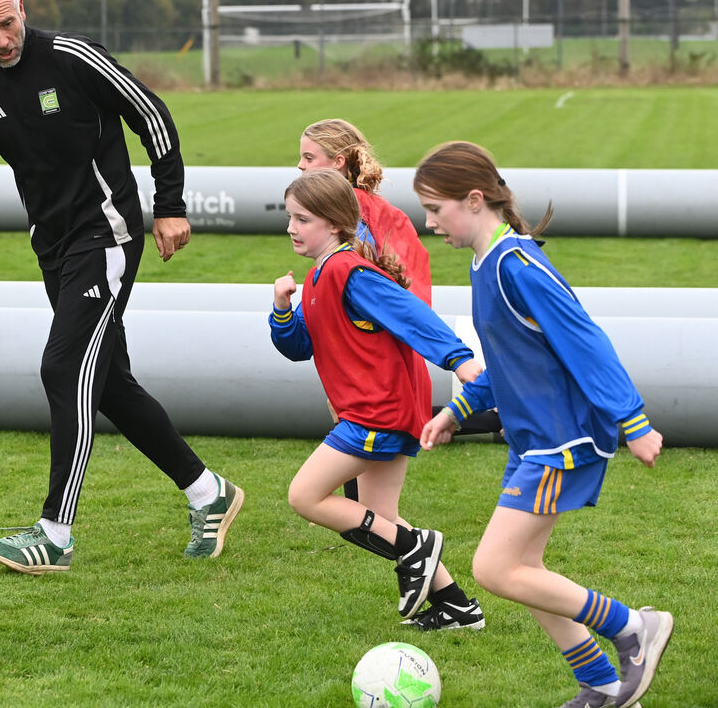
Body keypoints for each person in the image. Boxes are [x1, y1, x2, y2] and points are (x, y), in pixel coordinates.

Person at [0, 0, 243, 574]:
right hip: (51, 244)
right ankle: (210, 493)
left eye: (7, 23)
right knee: (110, 382)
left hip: (108, 235)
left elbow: (153, 117)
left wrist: (170, 206)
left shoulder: (73, 58)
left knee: (64, 365)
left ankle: (54, 533)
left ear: (23, 8)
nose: (0, 39)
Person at [413, 141, 672, 708]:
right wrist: (455, 411)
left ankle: (633, 628)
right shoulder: (487, 264)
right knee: (523, 570)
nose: (429, 223)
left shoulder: (517, 265)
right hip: (534, 442)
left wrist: (633, 421)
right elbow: (506, 360)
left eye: (436, 209)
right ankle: (599, 683)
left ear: (475, 199)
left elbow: (585, 342)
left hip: (563, 441)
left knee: (494, 567)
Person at [269, 168, 485, 630]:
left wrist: (459, 360)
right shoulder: (318, 276)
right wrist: (283, 309)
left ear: (333, 223)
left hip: (376, 413)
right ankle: (457, 607)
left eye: (302, 218)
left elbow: (410, 315)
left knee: (305, 496)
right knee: (380, 520)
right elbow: (299, 347)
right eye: (289, 217)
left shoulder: (351, 271)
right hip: (377, 412)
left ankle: (416, 548)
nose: (291, 227)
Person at [298, 118, 503, 439]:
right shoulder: (365, 212)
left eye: (309, 158)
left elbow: (394, 302)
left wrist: (457, 359)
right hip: (369, 358)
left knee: (318, 483)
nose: (300, 166)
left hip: (368, 360)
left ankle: (487, 416)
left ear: (338, 162)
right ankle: (484, 417)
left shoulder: (351, 219)